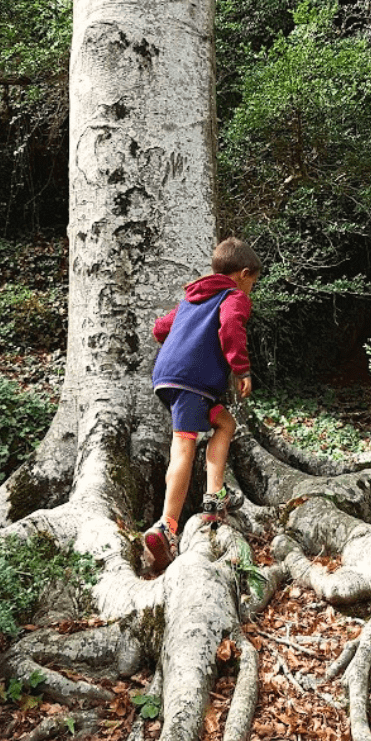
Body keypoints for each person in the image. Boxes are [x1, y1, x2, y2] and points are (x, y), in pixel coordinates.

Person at [144, 237, 261, 570]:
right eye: (252, 281)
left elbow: (160, 329)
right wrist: (241, 369)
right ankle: (166, 526)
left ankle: (214, 495)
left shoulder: (192, 298)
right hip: (191, 382)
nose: (251, 288)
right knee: (184, 447)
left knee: (225, 423)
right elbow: (230, 327)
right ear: (243, 273)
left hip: (168, 378)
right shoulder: (233, 296)